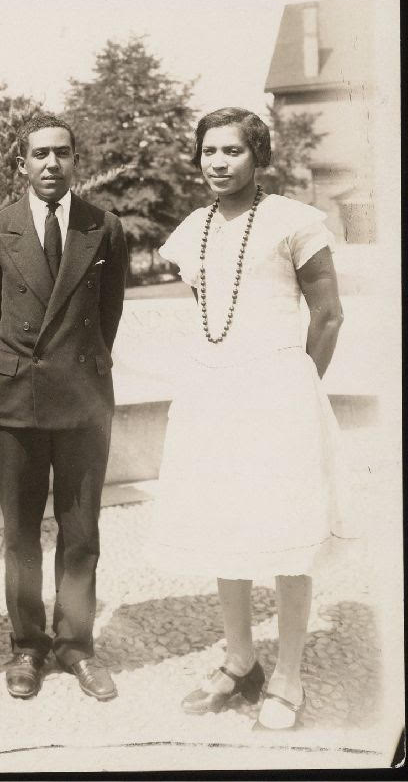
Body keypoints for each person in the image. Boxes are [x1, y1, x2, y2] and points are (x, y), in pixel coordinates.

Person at [151, 107, 346, 732]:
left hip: (280, 398)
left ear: (256, 155)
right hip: (213, 400)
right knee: (222, 525)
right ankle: (240, 659)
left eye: (232, 151)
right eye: (209, 151)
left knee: (289, 531)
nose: (218, 162)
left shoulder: (294, 220)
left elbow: (329, 314)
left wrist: (300, 385)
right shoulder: (191, 230)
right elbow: (216, 316)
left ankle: (288, 671)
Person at [0, 111, 129, 702]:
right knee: (19, 534)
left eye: (61, 153)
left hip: (84, 401)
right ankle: (27, 645)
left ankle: (76, 645)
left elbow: (108, 314)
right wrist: (16, 369)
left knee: (81, 530)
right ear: (21, 163)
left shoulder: (104, 228)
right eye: (39, 154)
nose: (51, 164)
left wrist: (79, 366)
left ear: (75, 161)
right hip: (16, 402)